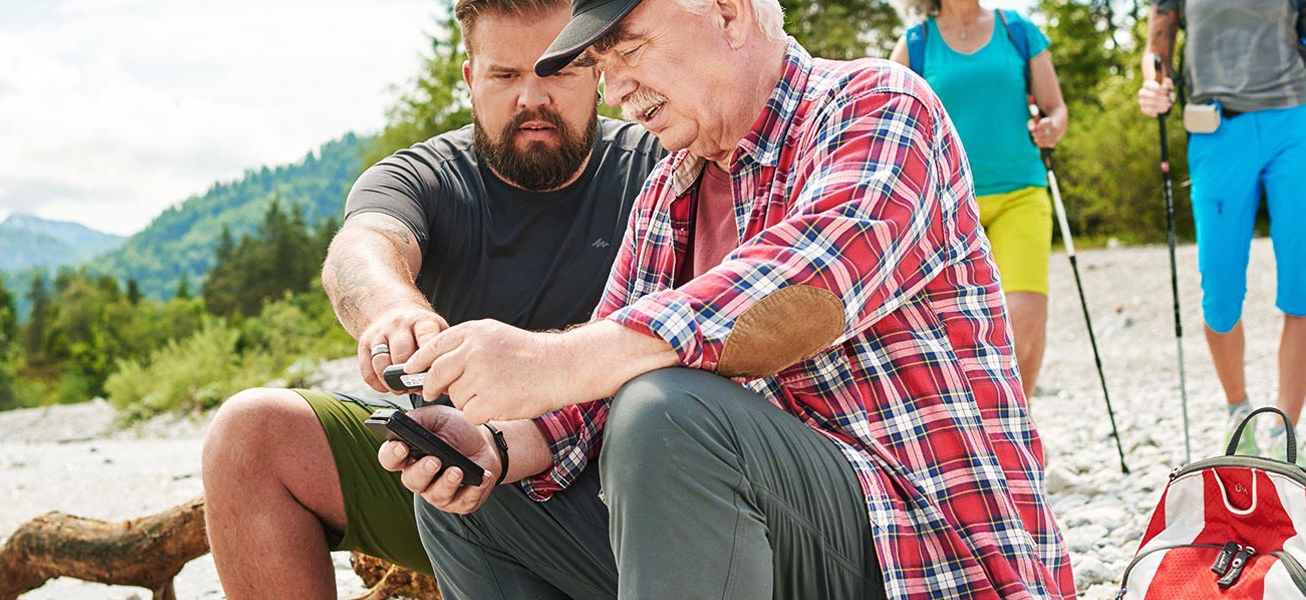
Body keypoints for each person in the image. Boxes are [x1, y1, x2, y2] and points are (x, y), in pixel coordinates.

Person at [376, 0, 1074, 597]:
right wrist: (495, 445)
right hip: (759, 537)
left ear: (730, 11)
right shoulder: (668, 191)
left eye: (627, 48)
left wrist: (548, 361)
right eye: (600, 62)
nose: (614, 89)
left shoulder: (879, 105)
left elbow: (802, 292)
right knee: (470, 497)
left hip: (928, 549)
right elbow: (584, 404)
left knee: (668, 413)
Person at [197, 0, 666, 595]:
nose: (532, 97)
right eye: (505, 75)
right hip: (453, 481)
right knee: (252, 433)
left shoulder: (660, 170)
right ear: (470, 80)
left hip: (623, 501)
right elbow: (362, 248)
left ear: (596, 73)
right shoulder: (424, 176)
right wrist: (393, 310)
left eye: (556, 70)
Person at [1136, 0, 1306, 462]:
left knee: (1301, 277)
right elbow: (1158, 46)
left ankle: (1284, 434)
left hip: (1297, 122)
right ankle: (1239, 412)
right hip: (1217, 131)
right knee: (1219, 292)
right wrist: (1152, 86)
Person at [888, 0, 1068, 398]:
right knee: (955, 331)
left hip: (1020, 191)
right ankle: (977, 427)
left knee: (1025, 317)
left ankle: (1017, 423)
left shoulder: (1017, 30)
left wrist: (1052, 127)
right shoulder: (916, 43)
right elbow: (888, 121)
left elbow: (1055, 107)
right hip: (946, 205)